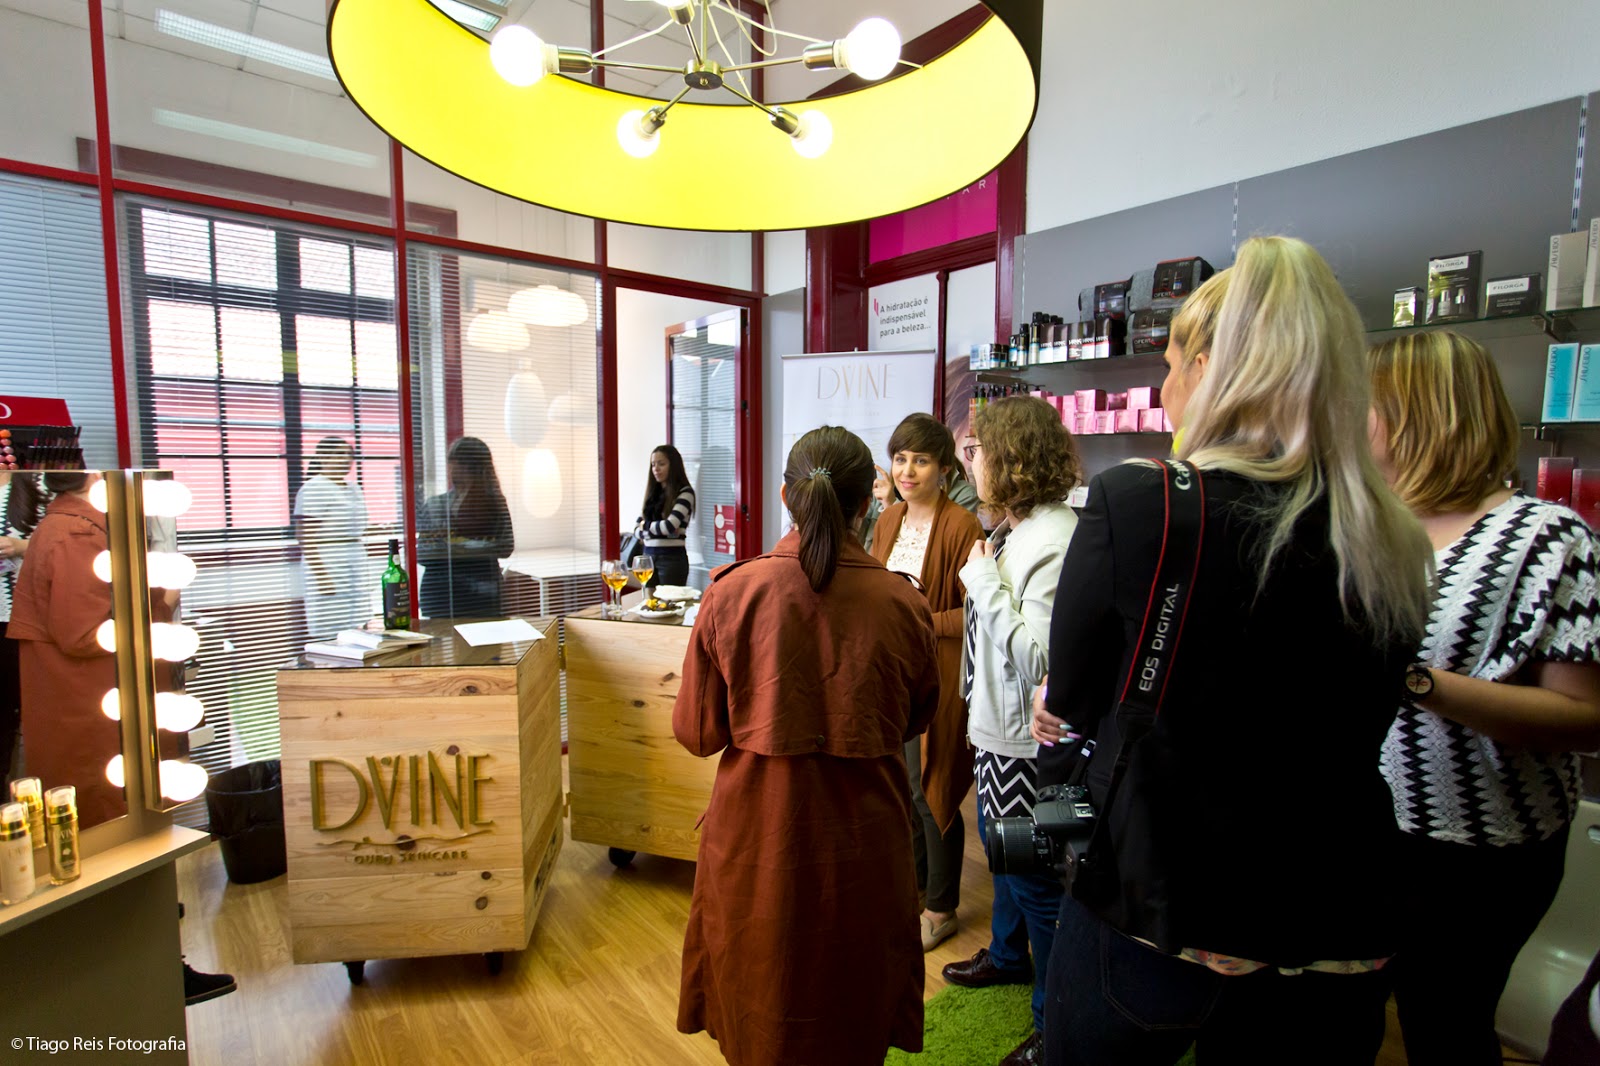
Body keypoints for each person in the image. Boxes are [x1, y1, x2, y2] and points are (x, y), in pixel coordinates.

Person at [1029, 236, 1435, 1065]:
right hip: (1335, 914)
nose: (1165, 386)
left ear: (1213, 369)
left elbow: (1070, 699)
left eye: (1171, 363)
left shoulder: (1140, 499)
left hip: (1163, 905)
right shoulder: (1390, 533)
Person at [1367, 330, 1600, 1066]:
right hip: (1366, 826)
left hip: (1477, 849)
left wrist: (1416, 681)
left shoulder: (1545, 538)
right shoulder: (1373, 527)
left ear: (1418, 416)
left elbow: (1584, 719)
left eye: (1362, 407)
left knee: (1445, 1022)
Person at [673, 425, 940, 1066]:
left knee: (759, 1001)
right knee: (856, 1005)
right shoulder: (903, 603)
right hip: (866, 842)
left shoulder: (732, 592)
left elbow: (697, 733)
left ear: (786, 496)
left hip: (758, 838)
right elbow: (914, 718)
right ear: (866, 504)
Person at [943, 395, 1081, 1066]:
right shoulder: (1017, 526)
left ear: (1012, 459)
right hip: (999, 730)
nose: (969, 464)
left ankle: (1053, 1026)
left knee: (1034, 880)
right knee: (1006, 857)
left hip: (1026, 744)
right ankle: (1006, 956)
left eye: (978, 452)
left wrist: (981, 580)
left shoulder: (1052, 540)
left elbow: (1041, 660)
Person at [869, 412, 985, 951]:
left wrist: (919, 623)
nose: (907, 470)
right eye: (900, 458)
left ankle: (941, 907)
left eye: (920, 460)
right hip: (891, 672)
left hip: (937, 673)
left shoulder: (962, 526)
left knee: (931, 787)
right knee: (898, 785)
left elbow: (974, 610)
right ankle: (914, 891)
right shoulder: (888, 519)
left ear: (944, 469)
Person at [6, 472, 125, 828]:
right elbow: (83, 633)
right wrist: (158, 603)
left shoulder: (67, 526)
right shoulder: (75, 533)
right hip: (85, 702)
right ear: (93, 477)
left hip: (77, 702)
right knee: (97, 811)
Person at [417, 436, 513, 618]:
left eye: (458, 463)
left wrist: (453, 546)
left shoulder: (494, 504)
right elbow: (422, 554)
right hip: (441, 594)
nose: (452, 468)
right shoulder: (436, 505)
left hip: (481, 594)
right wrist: (473, 546)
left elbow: (506, 547)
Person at [293, 437, 369, 637]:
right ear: (322, 457)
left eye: (349, 455)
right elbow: (304, 536)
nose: (346, 459)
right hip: (328, 559)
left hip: (354, 556)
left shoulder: (354, 488)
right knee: (332, 622)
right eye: (339, 454)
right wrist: (322, 576)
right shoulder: (314, 488)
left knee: (359, 620)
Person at [0, 472, 42, 789]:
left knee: (18, 710)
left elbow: (62, 545)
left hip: (19, 620)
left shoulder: (34, 484)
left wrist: (19, 546)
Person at [635, 444, 695, 588]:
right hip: (647, 557)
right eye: (653, 464)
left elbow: (669, 526)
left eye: (661, 464)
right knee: (649, 599)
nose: (656, 469)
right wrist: (656, 529)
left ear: (673, 465)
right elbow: (636, 530)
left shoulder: (685, 493)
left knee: (670, 601)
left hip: (671, 559)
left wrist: (645, 527)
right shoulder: (652, 494)